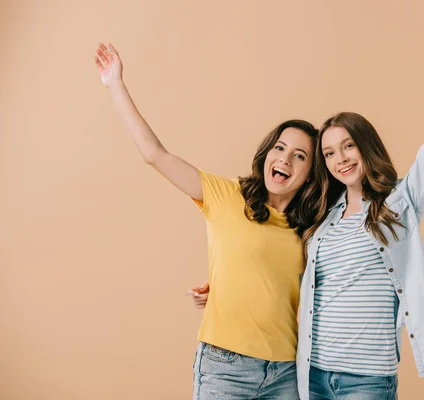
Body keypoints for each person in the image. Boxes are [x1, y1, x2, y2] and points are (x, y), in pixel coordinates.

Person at [293, 10, 424, 400]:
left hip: (367, 379)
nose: (340, 159)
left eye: (348, 146)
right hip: (314, 373)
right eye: (329, 153)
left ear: (365, 145)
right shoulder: (322, 221)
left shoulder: (399, 203)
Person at [94, 42, 321, 399]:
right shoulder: (226, 195)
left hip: (287, 373)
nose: (285, 160)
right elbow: (155, 154)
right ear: (267, 153)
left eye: (299, 156)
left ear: (309, 174)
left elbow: (292, 291)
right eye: (279, 148)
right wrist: (116, 85)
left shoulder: (311, 228)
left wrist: (228, 284)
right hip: (225, 369)